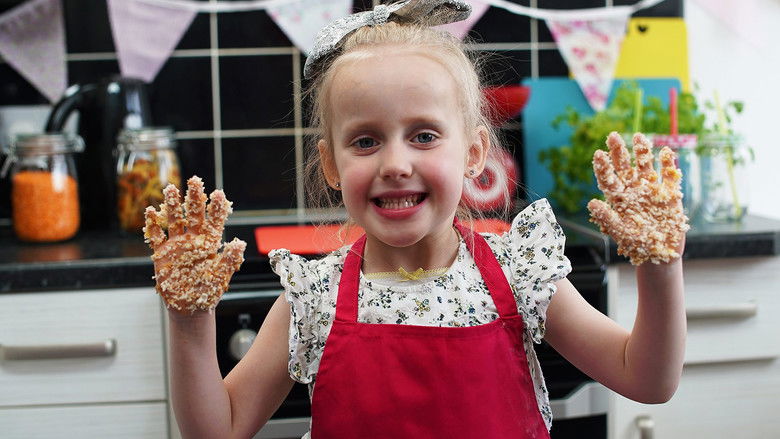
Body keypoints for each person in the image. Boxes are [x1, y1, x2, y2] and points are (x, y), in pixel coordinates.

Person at [142, 1, 688, 438]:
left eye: (424, 135)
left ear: (473, 152)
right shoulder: (313, 298)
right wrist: (190, 320)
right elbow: (218, 430)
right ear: (331, 164)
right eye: (365, 141)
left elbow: (647, 379)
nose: (396, 164)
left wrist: (661, 265)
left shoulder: (519, 272)